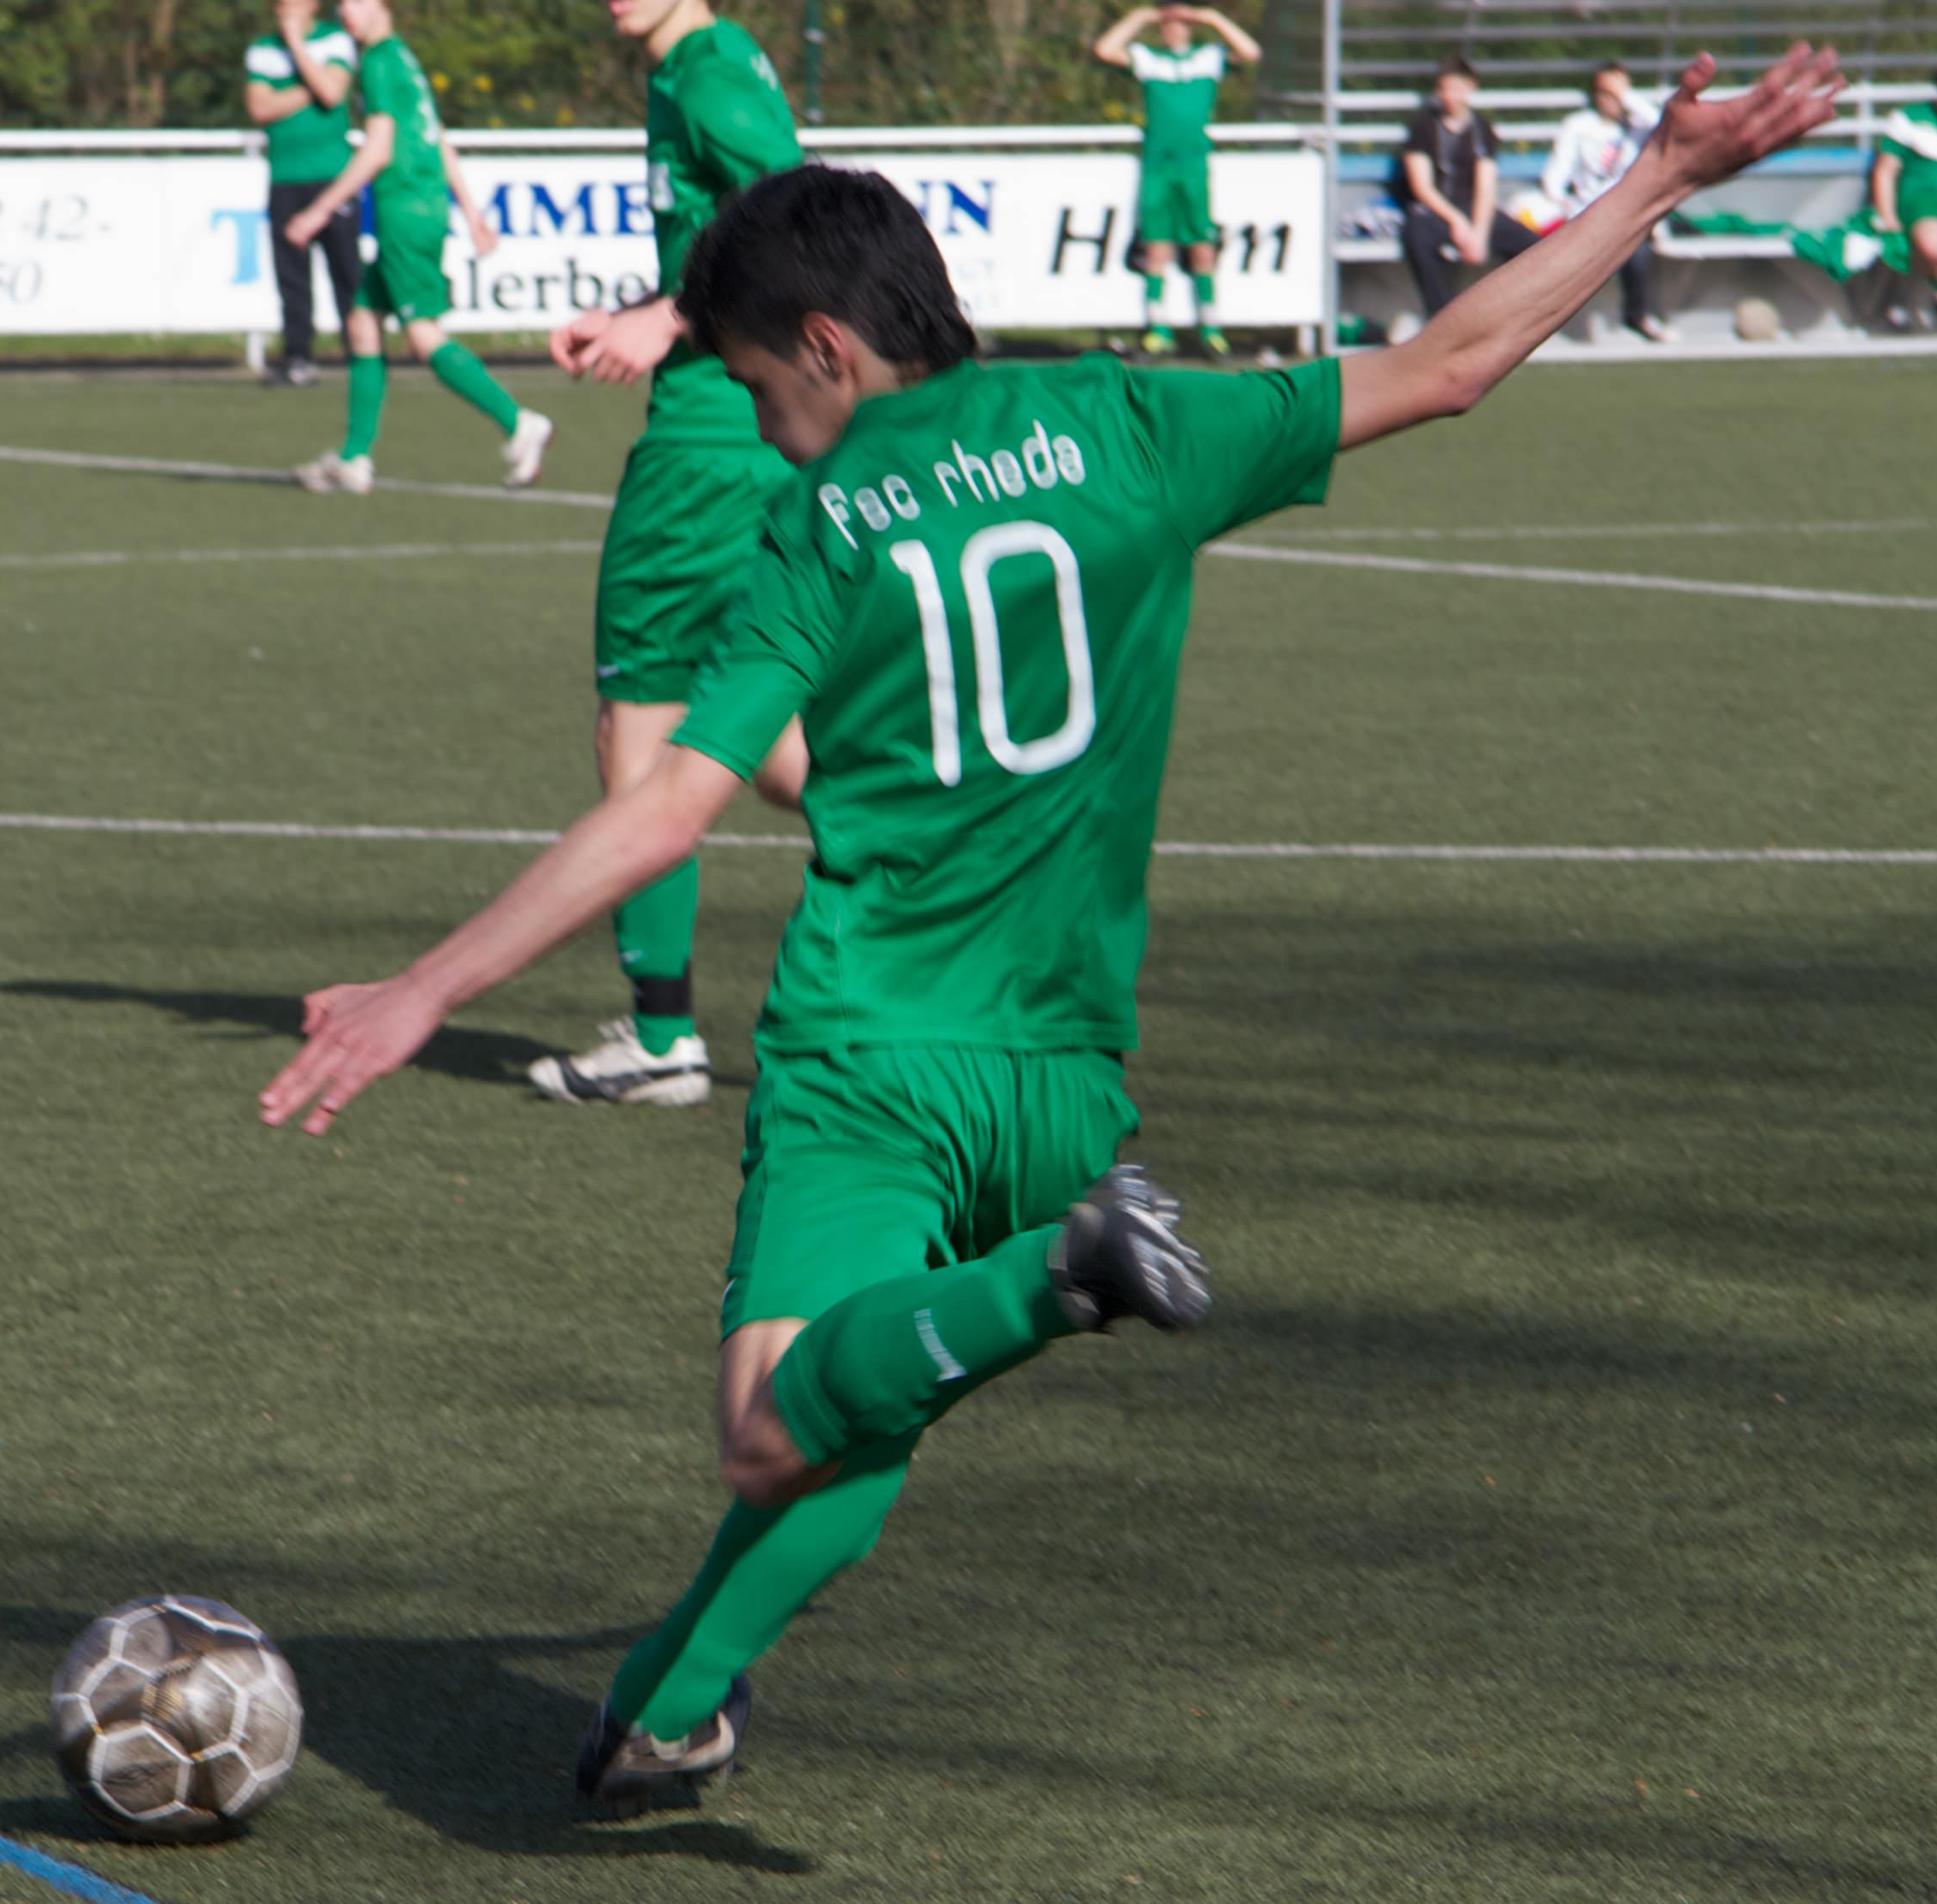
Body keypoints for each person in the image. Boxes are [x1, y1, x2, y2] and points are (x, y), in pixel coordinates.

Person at [257, 45, 1842, 1806]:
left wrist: (425, 986)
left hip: (872, 1054)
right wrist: (1656, 181)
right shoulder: (1130, 425)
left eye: (753, 383)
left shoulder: (817, 521)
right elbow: (1449, 363)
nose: (758, 424)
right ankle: (665, 1704)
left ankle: (1055, 1278)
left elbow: (665, 809)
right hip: (1065, 1077)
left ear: (826, 350)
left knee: (775, 1423)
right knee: (864, 1396)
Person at [527, 0, 807, 1109]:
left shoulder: (706, 73)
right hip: (747, 440)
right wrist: (638, 314)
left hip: (705, 458)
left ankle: (661, 1036)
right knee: (775, 747)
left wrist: (673, 317)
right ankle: (982, 896)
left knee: (636, 731)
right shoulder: (696, 66)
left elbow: (795, 220)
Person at [287, 0, 554, 494]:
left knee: (423, 334)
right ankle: (354, 457)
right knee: (363, 322)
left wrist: (319, 209)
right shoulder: (401, 57)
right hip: (422, 209)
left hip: (405, 213)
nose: (345, 11)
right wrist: (471, 211)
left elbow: (378, 149)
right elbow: (438, 139)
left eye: (356, 1)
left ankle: (519, 423)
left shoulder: (379, 61)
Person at [1091, 3, 1262, 357]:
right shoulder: (1149, 59)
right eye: (1167, 23)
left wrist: (1212, 18)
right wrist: (1141, 16)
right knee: (1157, 245)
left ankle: (1210, 329)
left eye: (1179, 22)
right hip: (1158, 166)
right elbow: (1105, 50)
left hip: (1193, 165)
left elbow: (1250, 52)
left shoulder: (1208, 58)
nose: (1173, 29)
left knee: (1201, 244)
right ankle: (1158, 329)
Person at [245, 0, 364, 386]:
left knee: (346, 272)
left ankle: (362, 354)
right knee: (292, 277)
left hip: (333, 177)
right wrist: (310, 89)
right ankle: (298, 358)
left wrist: (297, 46)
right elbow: (260, 109)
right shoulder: (263, 49)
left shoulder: (336, 40)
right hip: (285, 178)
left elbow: (332, 93)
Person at [1399, 56, 1539, 316]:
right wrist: (1458, 223)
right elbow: (1422, 187)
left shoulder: (1482, 129)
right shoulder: (1422, 128)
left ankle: (1508, 313)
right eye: (1443, 89)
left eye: (1455, 88)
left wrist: (1479, 234)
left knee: (1533, 247)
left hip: (1473, 209)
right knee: (1417, 237)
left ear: (1470, 88)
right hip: (1436, 213)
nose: (1449, 96)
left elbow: (1486, 187)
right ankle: (1441, 318)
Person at [1543, 62, 1672, 340]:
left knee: (1638, 243)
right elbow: (1555, 176)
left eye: (1617, 92)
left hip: (1628, 215)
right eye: (1605, 92)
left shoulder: (1638, 126)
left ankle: (1637, 314)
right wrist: (1565, 205)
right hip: (1586, 212)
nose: (1612, 99)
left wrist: (1624, 95)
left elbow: (1661, 122)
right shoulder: (1578, 126)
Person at [1869, 55, 1937, 327]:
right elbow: (1885, 171)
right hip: (1923, 205)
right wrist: (1889, 219)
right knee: (1932, 247)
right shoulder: (1909, 118)